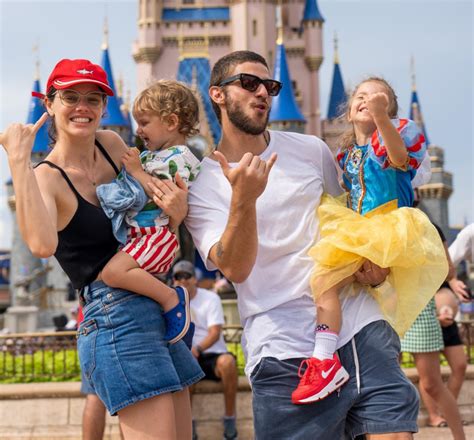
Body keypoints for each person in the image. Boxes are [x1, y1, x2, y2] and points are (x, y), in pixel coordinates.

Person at [185, 50, 423, 439]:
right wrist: (243, 200)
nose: (262, 92)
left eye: (270, 85)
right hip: (283, 347)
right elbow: (236, 269)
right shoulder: (203, 183)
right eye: (249, 83)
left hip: (358, 324)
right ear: (218, 94)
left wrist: (379, 269)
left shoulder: (310, 149)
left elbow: (352, 221)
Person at [0, 58, 204, 439]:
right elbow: (42, 245)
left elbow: (151, 212)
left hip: (155, 301)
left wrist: (177, 212)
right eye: (71, 97)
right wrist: (17, 161)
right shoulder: (46, 177)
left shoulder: (113, 146)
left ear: (105, 107)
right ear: (50, 104)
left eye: (93, 99)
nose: (83, 107)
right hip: (114, 316)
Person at [291, 77, 448, 403]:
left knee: (324, 280)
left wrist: (381, 120)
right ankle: (328, 358)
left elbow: (399, 158)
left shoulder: (398, 131)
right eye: (360, 96)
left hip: (390, 225)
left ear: (390, 109)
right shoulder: (346, 155)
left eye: (377, 97)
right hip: (361, 230)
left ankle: (323, 360)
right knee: (327, 282)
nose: (367, 100)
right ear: (348, 112)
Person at [98, 80, 201, 343]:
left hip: (156, 236)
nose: (139, 130)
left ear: (170, 122)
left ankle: (172, 299)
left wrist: (135, 171)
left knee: (112, 273)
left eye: (144, 123)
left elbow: (161, 194)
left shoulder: (181, 158)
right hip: (139, 235)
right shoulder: (151, 155)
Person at [400, 224, 465, 439]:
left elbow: (449, 270)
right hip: (393, 313)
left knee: (432, 384)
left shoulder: (424, 226)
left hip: (418, 313)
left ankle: (459, 436)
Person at [172, 260, 238, 440]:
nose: (183, 280)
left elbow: (215, 332)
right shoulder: (170, 301)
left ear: (195, 279)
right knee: (186, 365)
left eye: (187, 276)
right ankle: (188, 423)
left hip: (211, 353)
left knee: (229, 363)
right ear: (174, 281)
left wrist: (197, 348)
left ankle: (230, 419)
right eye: (178, 276)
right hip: (188, 355)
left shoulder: (210, 298)